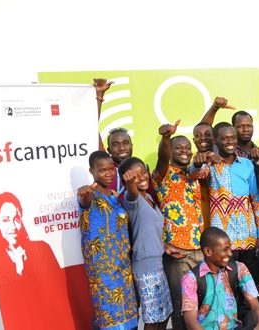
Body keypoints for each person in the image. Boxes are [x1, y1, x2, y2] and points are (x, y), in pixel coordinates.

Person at [0, 192, 75, 329]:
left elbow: (58, 293)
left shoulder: (41, 248)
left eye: (16, 219)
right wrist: (19, 271)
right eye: (5, 220)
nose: (13, 226)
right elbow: (10, 307)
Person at [152, 120, 208, 330]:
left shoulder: (195, 174)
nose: (184, 151)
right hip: (177, 253)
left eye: (187, 148)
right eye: (178, 148)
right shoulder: (162, 175)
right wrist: (166, 137)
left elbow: (205, 143)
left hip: (200, 250)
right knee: (181, 306)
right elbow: (162, 157)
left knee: (201, 305)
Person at [77, 151, 138, 329]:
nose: (109, 173)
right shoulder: (89, 195)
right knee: (111, 319)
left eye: (111, 169)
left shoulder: (114, 195)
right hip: (103, 273)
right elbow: (84, 201)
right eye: (102, 170)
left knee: (130, 319)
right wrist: (84, 194)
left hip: (123, 268)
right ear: (92, 171)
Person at [203, 122, 259, 274]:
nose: (230, 142)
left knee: (249, 285)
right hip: (222, 242)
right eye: (224, 138)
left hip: (249, 238)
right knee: (227, 285)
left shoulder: (247, 165)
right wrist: (202, 160)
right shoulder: (210, 164)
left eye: (232, 138)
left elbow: (257, 201)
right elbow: (196, 173)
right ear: (215, 141)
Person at [118, 157, 173, 330]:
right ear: (127, 179)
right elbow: (133, 192)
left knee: (165, 313)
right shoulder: (131, 199)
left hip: (159, 263)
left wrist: (166, 247)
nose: (141, 177)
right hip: (145, 267)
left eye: (143, 171)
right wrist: (130, 182)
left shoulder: (148, 196)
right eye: (134, 175)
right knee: (152, 318)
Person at [181, 227, 259, 330]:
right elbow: (191, 322)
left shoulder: (240, 268)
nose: (230, 253)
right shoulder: (190, 278)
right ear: (208, 251)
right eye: (225, 249)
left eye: (230, 248)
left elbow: (255, 306)